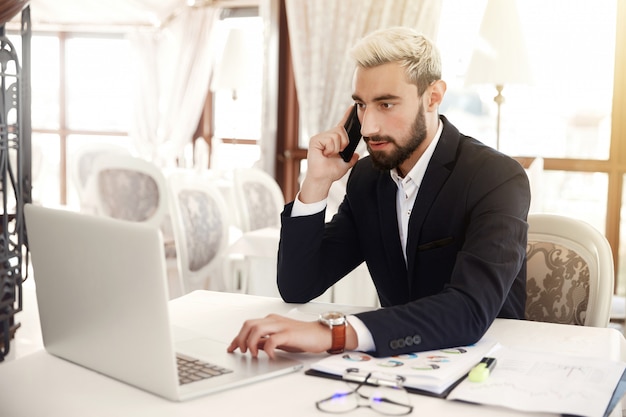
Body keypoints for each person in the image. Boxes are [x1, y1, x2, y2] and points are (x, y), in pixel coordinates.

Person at [228, 26, 530, 359]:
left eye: (386, 104)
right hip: (396, 366)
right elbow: (298, 286)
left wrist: (335, 332)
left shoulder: (496, 178)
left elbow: (469, 310)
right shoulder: (367, 180)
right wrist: (317, 183)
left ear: (432, 96)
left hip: (486, 365)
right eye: (361, 105)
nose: (369, 127)